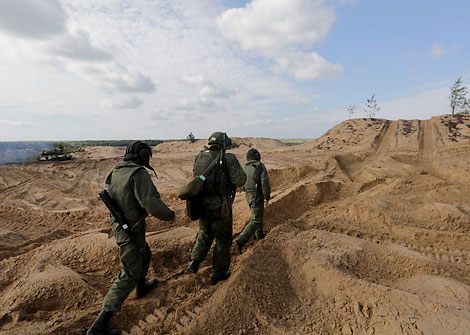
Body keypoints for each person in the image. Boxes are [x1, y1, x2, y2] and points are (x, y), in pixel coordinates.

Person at [87, 141, 175, 335]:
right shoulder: (138, 173)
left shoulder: (118, 170)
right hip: (129, 229)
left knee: (145, 253)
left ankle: (141, 286)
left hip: (127, 225)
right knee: (127, 274)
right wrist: (169, 215)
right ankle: (98, 327)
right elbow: (152, 203)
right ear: (142, 155)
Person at [187, 132, 246, 285]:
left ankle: (194, 261)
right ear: (224, 144)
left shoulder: (200, 156)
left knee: (205, 233)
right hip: (222, 207)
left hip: (202, 205)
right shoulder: (228, 158)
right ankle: (218, 273)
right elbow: (240, 180)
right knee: (223, 240)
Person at [234, 148, 271, 254]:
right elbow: (265, 182)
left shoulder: (244, 167)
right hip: (257, 195)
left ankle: (258, 234)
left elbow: (240, 182)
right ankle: (240, 240)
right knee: (256, 219)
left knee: (258, 214)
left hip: (248, 195)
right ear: (257, 156)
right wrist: (266, 197)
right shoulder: (260, 166)